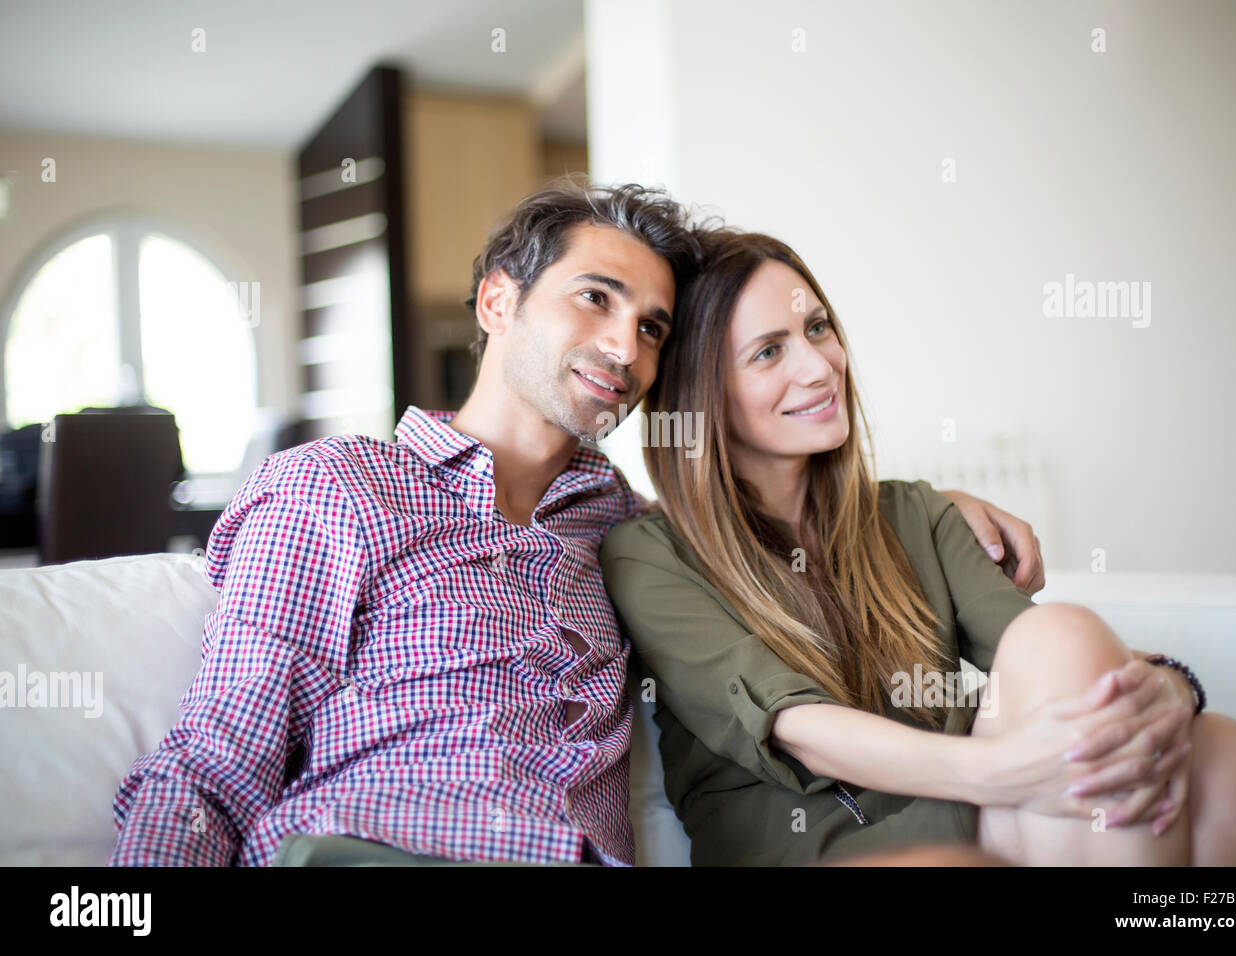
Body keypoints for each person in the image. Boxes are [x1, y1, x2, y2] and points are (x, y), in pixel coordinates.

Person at [108, 180, 1048, 867]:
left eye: (652, 328)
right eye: (595, 298)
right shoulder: (337, 489)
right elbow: (214, 763)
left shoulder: (625, 534)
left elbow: (754, 539)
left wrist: (921, 516)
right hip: (376, 849)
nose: (624, 347)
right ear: (498, 302)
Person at [598, 229, 1236, 866]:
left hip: (970, 804)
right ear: (704, 392)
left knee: (1229, 757)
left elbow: (1056, 659)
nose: (818, 366)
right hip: (828, 843)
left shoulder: (913, 513)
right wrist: (1009, 770)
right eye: (769, 351)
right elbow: (796, 726)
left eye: (817, 328)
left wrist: (1170, 688)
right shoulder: (650, 555)